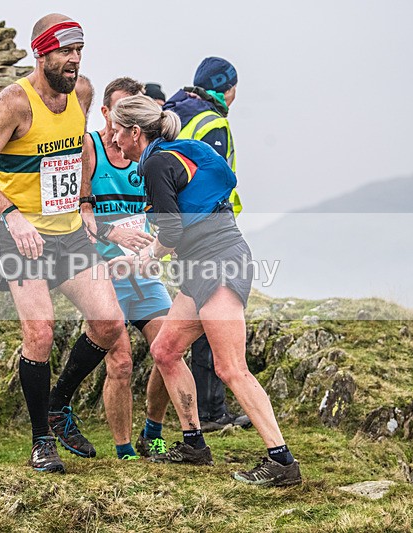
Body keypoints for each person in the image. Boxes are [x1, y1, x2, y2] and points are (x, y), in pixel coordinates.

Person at [108, 94, 301, 487]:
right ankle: (194, 443)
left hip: (219, 263)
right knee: (164, 350)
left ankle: (282, 462)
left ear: (134, 132)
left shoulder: (158, 162)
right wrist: (147, 254)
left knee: (231, 368)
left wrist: (145, 257)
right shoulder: (168, 154)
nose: (112, 138)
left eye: (115, 130)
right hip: (200, 266)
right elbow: (177, 227)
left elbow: (173, 231)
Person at [0, 14, 126, 474]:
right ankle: (40, 441)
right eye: (65, 52)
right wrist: (11, 216)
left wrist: (87, 201)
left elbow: (81, 151)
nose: (74, 61)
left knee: (110, 322)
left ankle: (58, 404)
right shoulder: (14, 103)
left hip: (70, 230)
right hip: (24, 236)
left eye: (79, 52)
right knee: (40, 333)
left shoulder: (84, 93)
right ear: (42, 53)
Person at [80, 77, 182, 461]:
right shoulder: (90, 148)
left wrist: (153, 249)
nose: (124, 123)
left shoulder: (148, 156)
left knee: (168, 349)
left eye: (132, 114)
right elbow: (77, 211)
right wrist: (112, 233)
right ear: (106, 112)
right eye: (118, 112)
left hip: (142, 271)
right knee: (120, 363)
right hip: (102, 271)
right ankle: (124, 452)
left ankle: (152, 432)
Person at [162, 57, 250, 432]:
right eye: (233, 88)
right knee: (211, 328)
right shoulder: (213, 121)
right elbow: (210, 177)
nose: (234, 96)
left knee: (182, 334)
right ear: (224, 87)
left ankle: (199, 418)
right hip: (209, 234)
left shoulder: (177, 108)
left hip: (182, 233)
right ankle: (213, 411)